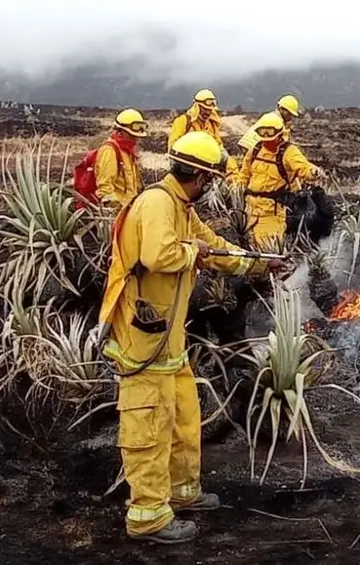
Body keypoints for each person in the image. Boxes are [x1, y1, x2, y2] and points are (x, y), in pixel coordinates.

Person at [98, 131, 287, 544]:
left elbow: (215, 247)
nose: (211, 187)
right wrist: (194, 252)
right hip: (142, 342)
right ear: (200, 178)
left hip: (169, 341)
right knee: (148, 425)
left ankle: (182, 493)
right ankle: (147, 516)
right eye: (211, 181)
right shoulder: (157, 204)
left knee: (184, 417)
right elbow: (159, 255)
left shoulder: (180, 206)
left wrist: (261, 265)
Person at [229, 111, 319, 249]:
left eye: (270, 134)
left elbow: (303, 167)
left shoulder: (288, 152)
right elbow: (244, 175)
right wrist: (236, 190)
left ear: (280, 134)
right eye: (262, 134)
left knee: (268, 254)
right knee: (250, 251)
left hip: (272, 214)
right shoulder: (255, 150)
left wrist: (313, 173)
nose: (266, 139)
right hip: (250, 212)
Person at [94, 108, 147, 209]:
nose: (136, 138)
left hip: (130, 210)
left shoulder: (128, 152)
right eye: (132, 134)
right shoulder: (110, 151)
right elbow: (105, 188)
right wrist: (116, 210)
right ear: (120, 131)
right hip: (118, 214)